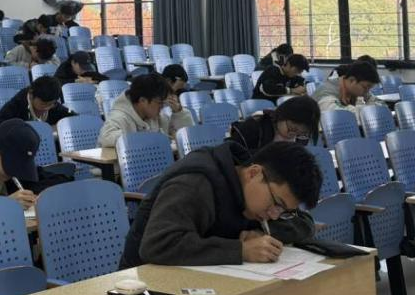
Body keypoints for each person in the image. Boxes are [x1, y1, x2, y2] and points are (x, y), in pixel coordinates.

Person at [119, 141, 320, 268]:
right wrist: (240, 250)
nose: (275, 215)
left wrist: (262, 233)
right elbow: (158, 244)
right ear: (254, 173)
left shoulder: (255, 194)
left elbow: (305, 223)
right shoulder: (195, 184)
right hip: (145, 290)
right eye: (276, 204)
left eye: (284, 211)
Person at [99, 73, 193, 148]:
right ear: (142, 100)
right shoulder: (119, 117)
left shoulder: (157, 117)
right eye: (159, 103)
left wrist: (179, 112)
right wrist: (145, 138)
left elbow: (186, 136)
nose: (162, 107)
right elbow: (106, 138)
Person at [229, 96, 320, 152]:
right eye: (292, 129)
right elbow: (235, 154)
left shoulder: (301, 137)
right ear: (282, 115)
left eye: (300, 134)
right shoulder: (256, 127)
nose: (293, 135)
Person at [0, 76, 73, 130]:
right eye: (43, 104)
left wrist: (58, 126)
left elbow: (72, 115)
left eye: (50, 104)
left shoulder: (52, 102)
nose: (47, 108)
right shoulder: (16, 105)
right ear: (31, 95)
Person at [312, 61, 380, 113]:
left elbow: (378, 103)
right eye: (365, 87)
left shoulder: (357, 90)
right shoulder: (327, 91)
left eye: (369, 88)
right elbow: (339, 114)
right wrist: (367, 111)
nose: (367, 91)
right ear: (352, 80)